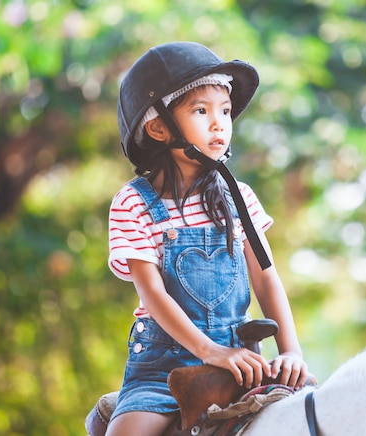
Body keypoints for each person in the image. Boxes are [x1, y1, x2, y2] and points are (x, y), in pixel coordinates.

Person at [106, 41, 309, 436]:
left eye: (226, 111)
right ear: (159, 127)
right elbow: (153, 296)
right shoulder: (132, 203)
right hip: (163, 369)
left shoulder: (240, 197)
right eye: (201, 111)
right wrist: (208, 351)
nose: (220, 124)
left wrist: (292, 351)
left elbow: (266, 278)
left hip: (243, 360)